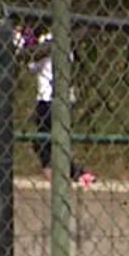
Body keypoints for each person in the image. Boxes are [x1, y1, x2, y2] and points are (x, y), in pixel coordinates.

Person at [14, 25, 95, 186]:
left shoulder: (47, 45)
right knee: (57, 139)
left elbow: (32, 67)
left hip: (47, 98)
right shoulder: (66, 45)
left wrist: (19, 43)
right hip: (66, 99)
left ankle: (66, 174)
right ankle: (74, 173)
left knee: (44, 141)